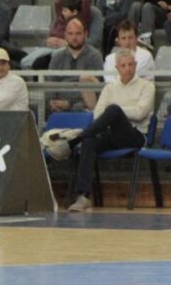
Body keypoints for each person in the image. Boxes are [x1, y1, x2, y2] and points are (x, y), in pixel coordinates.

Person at [65, 49, 155, 212]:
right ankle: (83, 196)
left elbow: (140, 113)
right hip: (112, 133)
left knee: (113, 109)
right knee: (90, 141)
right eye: (123, 65)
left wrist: (117, 112)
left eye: (130, 65)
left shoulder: (147, 86)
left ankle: (75, 139)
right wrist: (114, 114)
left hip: (135, 134)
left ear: (135, 66)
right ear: (117, 68)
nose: (127, 69)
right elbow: (98, 114)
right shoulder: (110, 88)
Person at [45, 17, 103, 113]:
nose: (74, 38)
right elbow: (50, 84)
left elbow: (93, 89)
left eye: (78, 33)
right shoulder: (57, 57)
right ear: (65, 35)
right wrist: (53, 102)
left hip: (82, 104)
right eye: (70, 34)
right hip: (58, 103)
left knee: (78, 108)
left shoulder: (94, 56)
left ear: (85, 34)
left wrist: (69, 103)